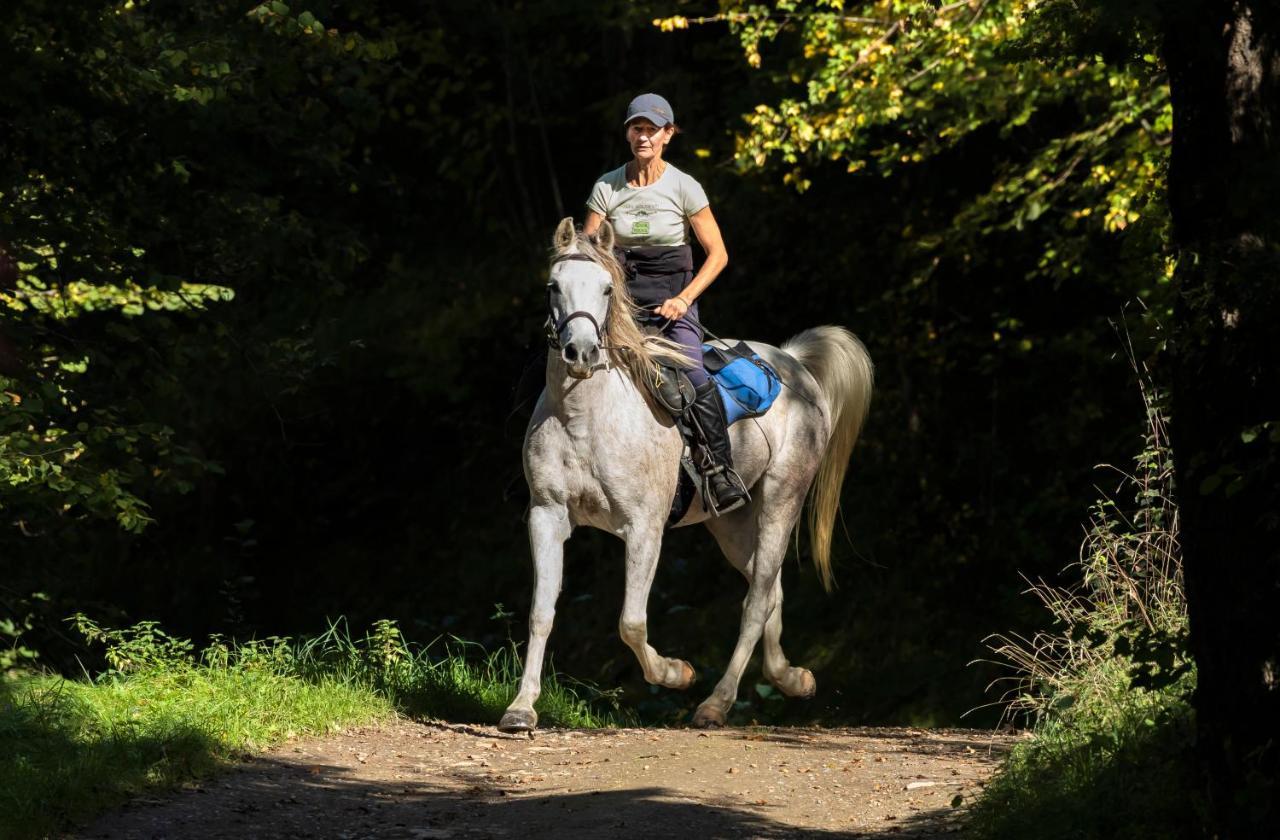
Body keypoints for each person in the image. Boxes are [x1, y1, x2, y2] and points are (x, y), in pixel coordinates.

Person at [583, 93, 748, 515]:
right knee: (560, 362)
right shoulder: (606, 185)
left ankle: (719, 470)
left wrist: (683, 299)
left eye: (652, 129)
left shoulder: (684, 186)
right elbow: (588, 253)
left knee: (692, 373)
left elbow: (719, 254)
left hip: (673, 299)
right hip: (618, 306)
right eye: (636, 128)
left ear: (668, 135)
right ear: (627, 133)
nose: (644, 136)